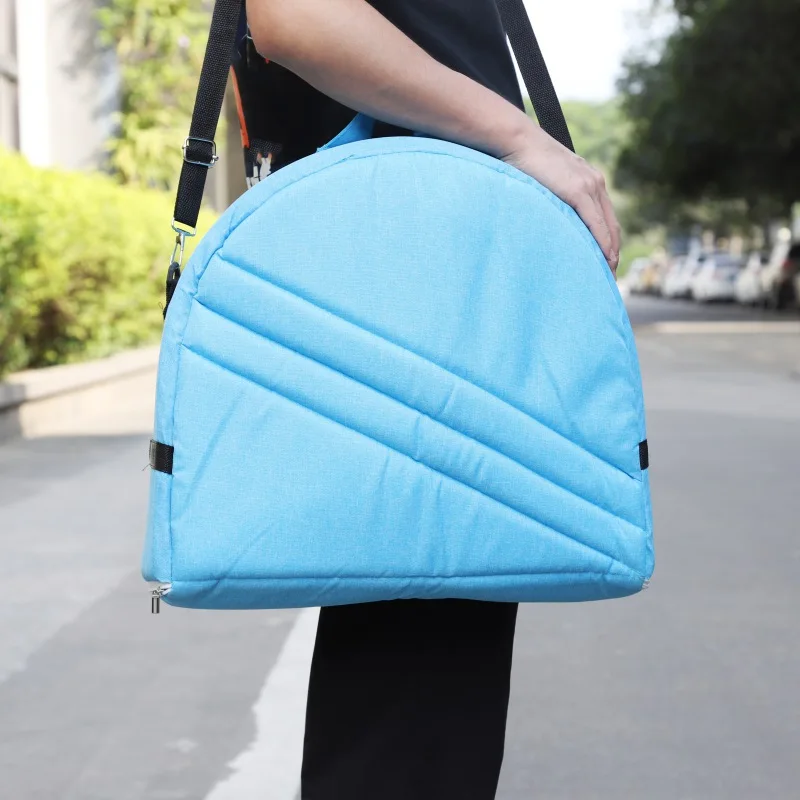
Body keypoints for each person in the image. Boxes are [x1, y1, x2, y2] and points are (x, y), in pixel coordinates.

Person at [234, 2, 622, 798]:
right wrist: (522, 138)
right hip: (417, 290)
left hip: (416, 281)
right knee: (414, 719)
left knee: (421, 711)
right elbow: (294, 12)